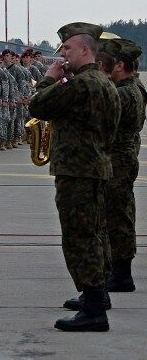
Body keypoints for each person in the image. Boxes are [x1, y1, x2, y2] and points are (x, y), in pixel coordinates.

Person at [28, 22, 120, 332]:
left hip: (77, 170)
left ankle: (93, 308)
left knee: (79, 238)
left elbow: (38, 106)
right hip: (94, 166)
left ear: (84, 50)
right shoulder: (104, 82)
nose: (62, 54)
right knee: (92, 234)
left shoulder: (80, 85)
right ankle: (95, 297)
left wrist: (48, 79)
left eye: (67, 49)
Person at [94, 39, 144, 294]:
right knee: (118, 213)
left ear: (120, 65)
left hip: (118, 160)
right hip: (122, 158)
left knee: (117, 216)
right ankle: (118, 271)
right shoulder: (133, 87)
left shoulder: (125, 92)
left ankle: (121, 273)